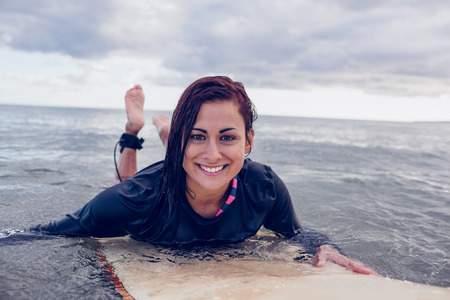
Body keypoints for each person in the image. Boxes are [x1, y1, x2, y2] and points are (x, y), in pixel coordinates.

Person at [33, 76, 376, 275]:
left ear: (248, 142)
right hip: (153, 184)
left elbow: (298, 234)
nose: (214, 152)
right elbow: (38, 235)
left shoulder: (264, 188)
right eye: (197, 135)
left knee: (199, 163)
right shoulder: (136, 198)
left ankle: (172, 135)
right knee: (124, 182)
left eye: (228, 137)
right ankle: (136, 128)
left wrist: (326, 247)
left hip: (181, 164)